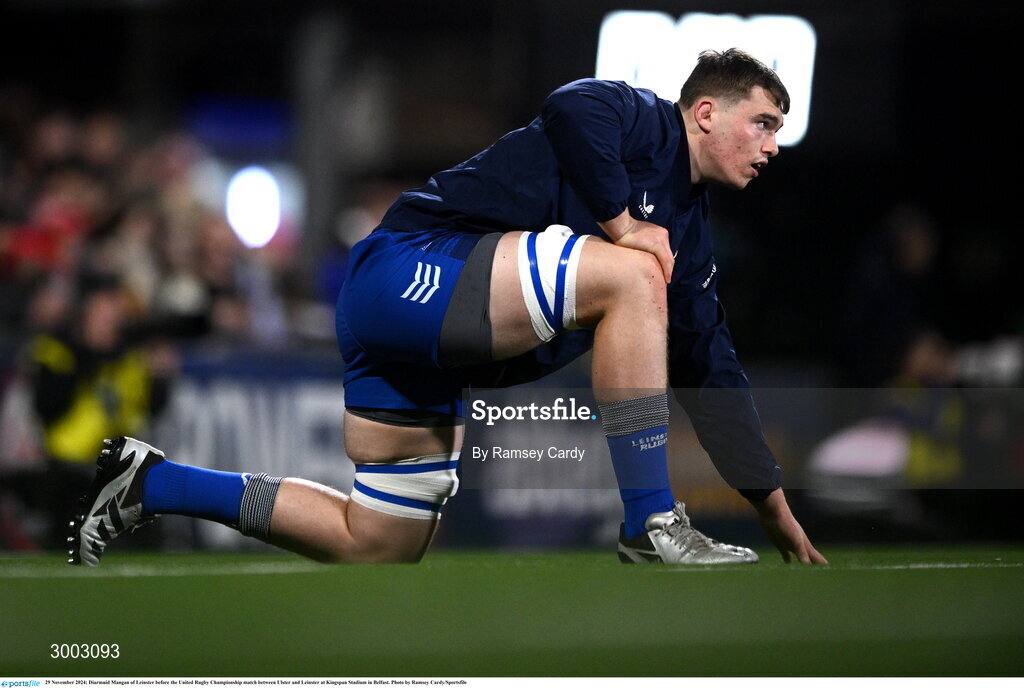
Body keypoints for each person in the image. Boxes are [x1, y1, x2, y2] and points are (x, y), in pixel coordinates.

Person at [70, 49, 826, 566]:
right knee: (634, 276)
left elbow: (711, 373)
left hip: (428, 340)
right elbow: (569, 109)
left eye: (778, 132)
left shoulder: (687, 237)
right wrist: (626, 223)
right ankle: (650, 524)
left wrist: (772, 509)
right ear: (703, 113)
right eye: (762, 123)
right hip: (405, 271)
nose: (772, 145)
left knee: (378, 543)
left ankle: (154, 482)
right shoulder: (636, 116)